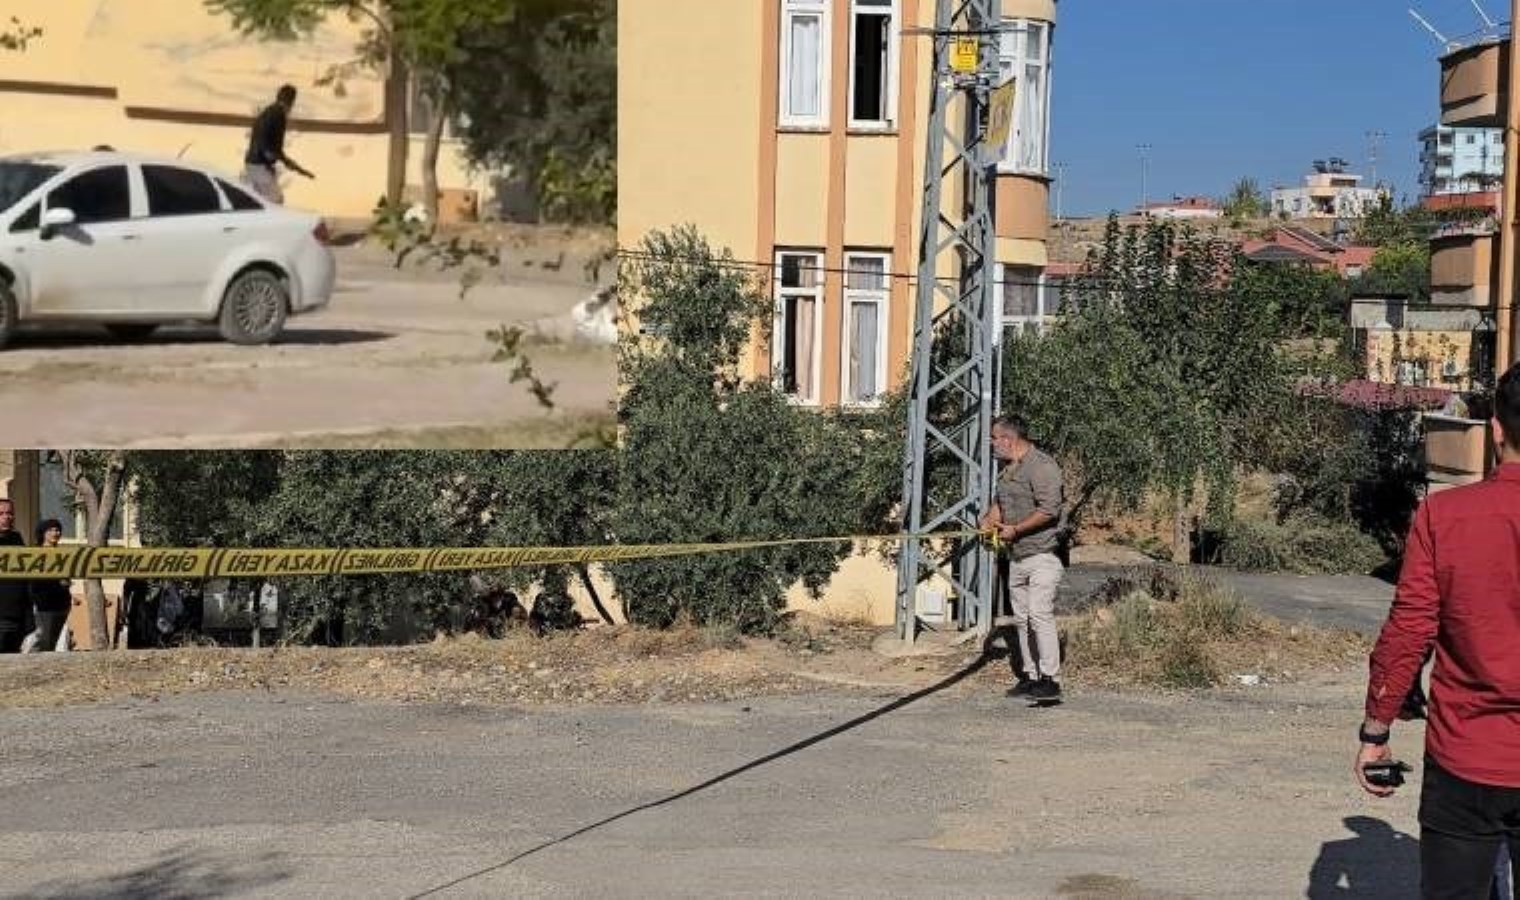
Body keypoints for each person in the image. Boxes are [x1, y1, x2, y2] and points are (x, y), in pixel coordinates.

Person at [1356, 361, 1520, 899]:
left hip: (1466, 758)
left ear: (1495, 429)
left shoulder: (1444, 516)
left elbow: (1409, 630)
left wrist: (1376, 731)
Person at [980, 414, 1066, 703]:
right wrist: (989, 521)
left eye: (994, 438)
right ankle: (1030, 677)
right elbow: (1000, 502)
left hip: (1043, 555)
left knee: (1040, 614)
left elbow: (1049, 510)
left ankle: (1051, 680)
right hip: (1016, 557)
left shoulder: (1042, 466)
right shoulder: (1008, 470)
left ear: (1008, 438)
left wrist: (1015, 529)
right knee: (1022, 619)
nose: (992, 444)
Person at [243, 84, 315, 204]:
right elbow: (267, 141)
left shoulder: (269, 111)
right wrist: (269, 154)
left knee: (263, 201)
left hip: (255, 163)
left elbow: (273, 145)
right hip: (259, 164)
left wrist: (291, 164)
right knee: (275, 200)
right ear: (291, 102)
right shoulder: (278, 115)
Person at [29, 518, 70, 652]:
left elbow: (66, 577)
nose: (55, 533)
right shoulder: (36, 553)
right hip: (43, 605)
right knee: (42, 641)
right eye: (51, 530)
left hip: (62, 604)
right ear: (43, 533)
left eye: (57, 530)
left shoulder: (62, 553)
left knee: (52, 641)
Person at [0, 499, 28, 653]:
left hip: (17, 616)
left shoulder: (16, 538)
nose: (6, 517)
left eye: (10, 513)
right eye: (1, 513)